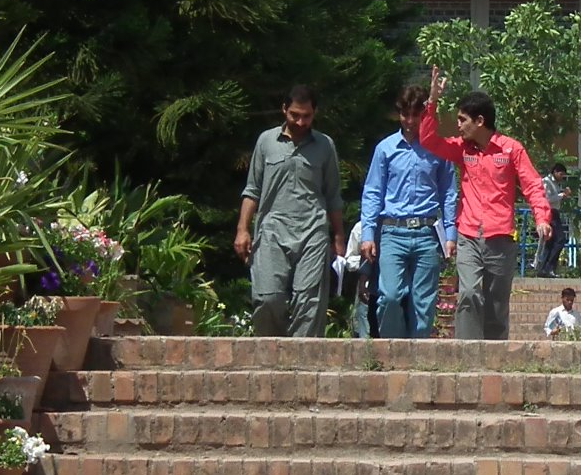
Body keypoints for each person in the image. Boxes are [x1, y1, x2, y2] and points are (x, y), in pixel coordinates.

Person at [419, 68, 552, 340]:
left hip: (501, 238)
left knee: (496, 306)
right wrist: (431, 103)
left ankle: (494, 364)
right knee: (467, 294)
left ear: (480, 121)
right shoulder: (461, 148)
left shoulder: (510, 149)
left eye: (462, 120)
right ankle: (466, 357)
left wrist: (542, 218)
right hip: (468, 236)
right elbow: (429, 140)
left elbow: (532, 184)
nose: (458, 125)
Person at [235, 84, 344, 338]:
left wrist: (338, 237)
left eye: (306, 116)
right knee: (267, 297)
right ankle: (271, 354)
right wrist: (242, 229)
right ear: (284, 109)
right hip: (272, 229)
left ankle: (302, 365)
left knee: (309, 303)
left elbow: (333, 196)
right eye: (295, 114)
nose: (300, 121)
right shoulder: (266, 142)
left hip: (313, 231)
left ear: (314, 113)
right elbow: (252, 190)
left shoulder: (325, 146)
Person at [359, 84, 459, 338]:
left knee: (423, 304)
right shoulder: (385, 149)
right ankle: (393, 351)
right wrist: (368, 234)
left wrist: (450, 234)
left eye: (416, 114)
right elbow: (373, 192)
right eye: (405, 114)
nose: (410, 121)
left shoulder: (439, 150)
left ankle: (418, 358)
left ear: (425, 115)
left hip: (427, 234)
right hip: (393, 232)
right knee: (390, 296)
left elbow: (449, 193)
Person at [534, 162, 572, 277]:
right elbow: (547, 199)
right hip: (549, 212)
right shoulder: (547, 182)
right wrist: (562, 195)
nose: (562, 177)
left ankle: (544, 269)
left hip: (554, 212)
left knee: (550, 243)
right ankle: (549, 267)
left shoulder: (555, 184)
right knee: (560, 239)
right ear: (555, 172)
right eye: (561, 174)